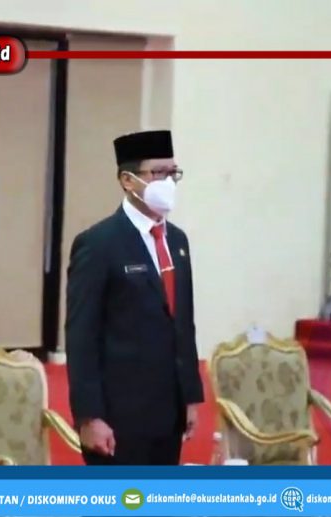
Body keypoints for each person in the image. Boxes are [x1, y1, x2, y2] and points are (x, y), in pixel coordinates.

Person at [65, 130, 204, 465]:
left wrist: (190, 397)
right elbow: (81, 336)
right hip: (118, 416)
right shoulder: (99, 243)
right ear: (128, 180)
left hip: (168, 412)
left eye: (173, 173)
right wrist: (89, 416)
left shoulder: (177, 241)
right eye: (157, 173)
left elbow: (183, 324)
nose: (167, 182)